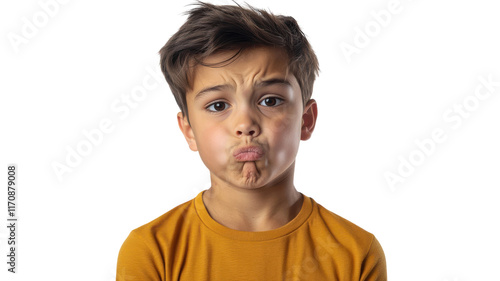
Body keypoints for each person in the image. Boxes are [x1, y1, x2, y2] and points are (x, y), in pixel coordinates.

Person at [116, 2, 387, 280]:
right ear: (189, 131)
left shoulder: (355, 254)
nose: (245, 125)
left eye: (270, 100)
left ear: (306, 120)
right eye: (218, 106)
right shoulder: (152, 251)